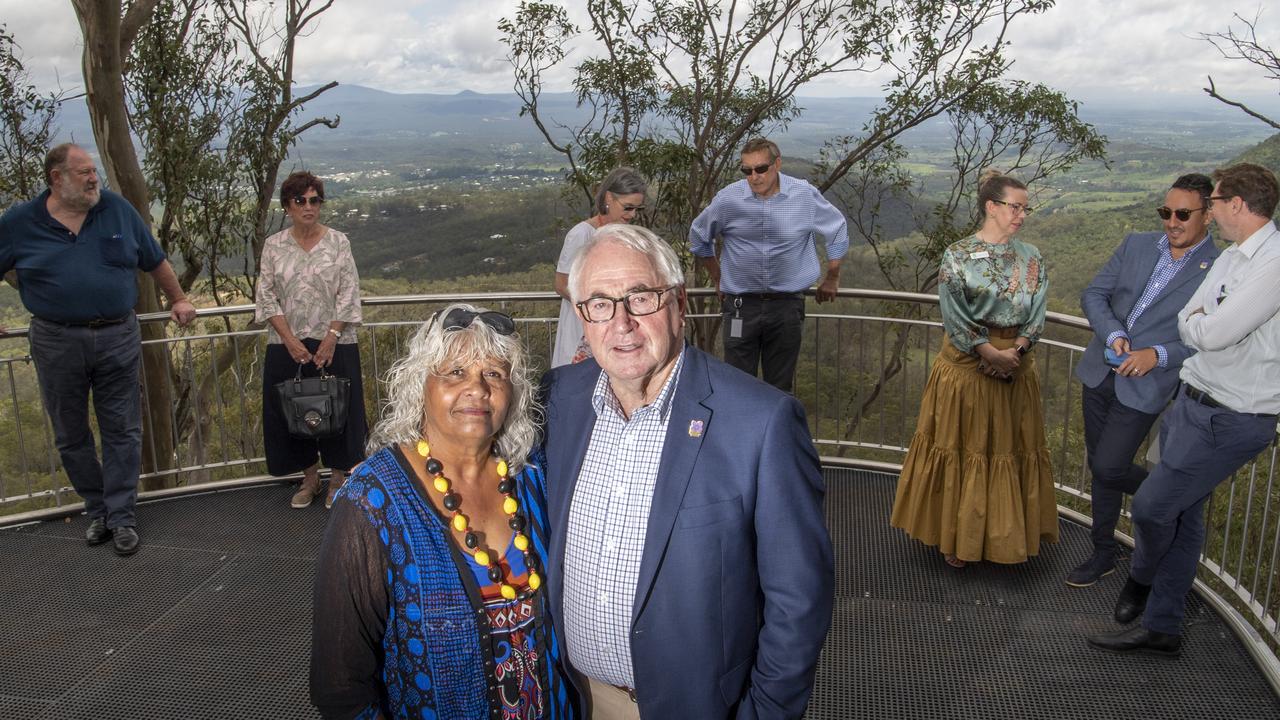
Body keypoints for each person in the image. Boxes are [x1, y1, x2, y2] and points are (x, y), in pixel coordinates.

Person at [542, 223, 834, 719]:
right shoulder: (560, 398)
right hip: (574, 698)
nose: (622, 322)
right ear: (581, 316)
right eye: (600, 303)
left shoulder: (762, 423)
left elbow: (799, 603)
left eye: (641, 297)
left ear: (679, 303)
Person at [310, 304, 578, 719]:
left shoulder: (532, 479)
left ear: (514, 393)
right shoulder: (373, 501)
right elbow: (340, 685)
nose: (478, 389)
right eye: (455, 372)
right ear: (420, 386)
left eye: (494, 374)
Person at [1088, 163, 1280, 657]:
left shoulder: (1272, 263)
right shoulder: (1235, 258)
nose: (1211, 213)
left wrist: (1198, 324)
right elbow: (1190, 317)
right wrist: (1199, 323)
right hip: (1191, 403)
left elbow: (1208, 330)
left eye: (1212, 203)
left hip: (1230, 415)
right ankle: (1164, 625)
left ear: (1235, 204)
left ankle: (1141, 580)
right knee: (1184, 516)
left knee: (1154, 507)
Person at [0, 143, 196, 556]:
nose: (94, 180)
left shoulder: (116, 209)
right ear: (57, 178)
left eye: (94, 172)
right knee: (70, 433)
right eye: (84, 172)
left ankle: (122, 516)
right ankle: (98, 510)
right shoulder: (20, 222)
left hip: (116, 336)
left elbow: (154, 259)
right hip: (56, 340)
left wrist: (177, 298)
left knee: (122, 429)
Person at [889, 170, 1057, 567]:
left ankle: (1004, 538)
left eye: (1025, 208)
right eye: (1016, 207)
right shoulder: (958, 255)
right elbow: (954, 313)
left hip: (1016, 366)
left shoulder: (1031, 256)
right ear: (991, 207)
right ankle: (955, 539)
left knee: (1007, 450)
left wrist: (1016, 349)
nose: (1022, 215)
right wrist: (987, 351)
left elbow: (1039, 309)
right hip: (968, 370)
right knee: (965, 449)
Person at [1068, 174, 1219, 588]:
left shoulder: (1217, 269)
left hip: (1146, 385)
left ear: (1208, 214)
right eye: (1166, 212)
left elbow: (1212, 339)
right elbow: (1093, 295)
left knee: (1109, 466)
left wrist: (1158, 355)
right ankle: (1103, 551)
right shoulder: (1136, 243)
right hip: (1099, 370)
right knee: (1102, 468)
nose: (1172, 221)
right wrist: (1115, 333)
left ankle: (1172, 497)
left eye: (1183, 214)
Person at [689, 137, 849, 393]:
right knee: (737, 386)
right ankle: (741, 434)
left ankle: (776, 433)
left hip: (786, 306)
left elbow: (837, 229)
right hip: (741, 306)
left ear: (777, 164)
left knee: (780, 387)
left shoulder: (803, 195)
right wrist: (718, 277)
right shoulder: (728, 200)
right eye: (747, 170)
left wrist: (833, 275)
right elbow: (698, 236)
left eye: (761, 169)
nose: (754, 177)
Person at [255, 171, 367, 509]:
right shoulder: (274, 246)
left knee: (340, 411)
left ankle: (336, 480)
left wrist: (331, 338)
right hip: (287, 344)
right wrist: (289, 340)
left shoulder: (338, 242)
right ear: (287, 205)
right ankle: (309, 478)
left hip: (336, 342)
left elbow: (349, 292)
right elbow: (267, 296)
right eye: (300, 200)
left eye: (314, 200)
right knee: (290, 411)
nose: (308, 206)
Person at [551, 167, 648, 368]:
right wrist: (599, 306)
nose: (633, 215)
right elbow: (561, 283)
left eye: (637, 209)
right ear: (609, 198)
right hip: (583, 330)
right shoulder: (582, 234)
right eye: (628, 207)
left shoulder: (623, 235)